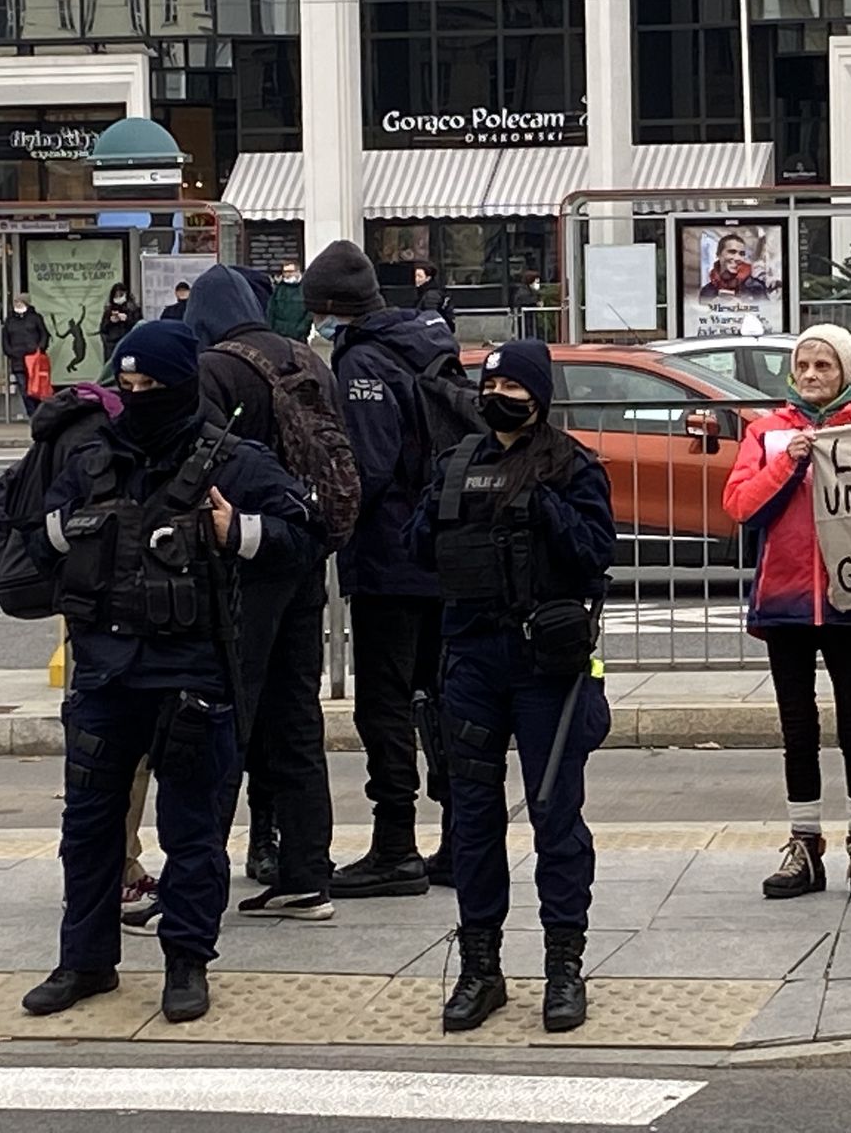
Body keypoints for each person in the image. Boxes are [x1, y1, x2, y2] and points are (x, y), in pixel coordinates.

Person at [20, 320, 318, 1024]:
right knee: (88, 828)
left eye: (151, 384)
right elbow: (38, 542)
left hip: (191, 673)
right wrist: (74, 530)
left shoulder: (233, 461)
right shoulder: (94, 458)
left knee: (192, 832)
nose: (137, 396)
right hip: (104, 673)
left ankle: (186, 961)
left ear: (182, 385)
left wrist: (238, 533)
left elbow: (305, 534)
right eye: (126, 384)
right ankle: (85, 960)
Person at [409, 339, 614, 1035]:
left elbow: (596, 554)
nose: (497, 395)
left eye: (511, 386)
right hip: (470, 660)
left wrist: (539, 506)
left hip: (544, 665)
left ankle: (564, 967)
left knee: (555, 818)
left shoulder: (571, 464)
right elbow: (416, 547)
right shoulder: (456, 463)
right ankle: (480, 968)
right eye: (489, 384)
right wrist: (452, 506)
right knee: (472, 821)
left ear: (539, 397)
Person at [304, 240, 478, 898]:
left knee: (386, 704)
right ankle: (461, 839)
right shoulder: (427, 342)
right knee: (442, 698)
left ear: (332, 308)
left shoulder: (363, 360)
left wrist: (326, 520)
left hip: (389, 558)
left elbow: (368, 467)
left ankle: (395, 844)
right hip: (442, 549)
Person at [183, 264, 340, 920]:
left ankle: (196, 880)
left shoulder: (214, 369)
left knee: (220, 719)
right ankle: (307, 873)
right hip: (303, 553)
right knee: (297, 718)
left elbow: (201, 462)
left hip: (240, 562)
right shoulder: (309, 361)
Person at [722, 325, 851, 901]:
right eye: (804, 365)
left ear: (847, 373)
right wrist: (787, 464)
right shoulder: (767, 432)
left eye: (825, 365)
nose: (813, 375)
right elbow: (740, 505)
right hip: (785, 601)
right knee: (797, 727)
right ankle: (804, 843)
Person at [3, 297, 51, 417]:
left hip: (34, 359)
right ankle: (32, 414)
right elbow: (5, 339)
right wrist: (10, 352)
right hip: (17, 359)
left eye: (20, 302)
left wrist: (40, 348)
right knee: (24, 388)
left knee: (36, 388)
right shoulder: (10, 320)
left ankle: (39, 413)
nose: (17, 304)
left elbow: (44, 334)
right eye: (15, 302)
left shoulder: (35, 318)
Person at [700, 234, 771, 300]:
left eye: (742, 254)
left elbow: (765, 309)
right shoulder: (706, 292)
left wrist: (745, 307)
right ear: (718, 254)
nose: (738, 258)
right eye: (732, 252)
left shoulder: (756, 287)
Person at [267, 261, 310, 341]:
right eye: (285, 272)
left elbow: (310, 312)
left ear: (297, 271)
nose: (287, 274)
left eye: (290, 271)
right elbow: (271, 310)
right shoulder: (278, 289)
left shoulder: (305, 288)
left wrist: (302, 329)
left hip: (299, 336)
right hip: (279, 334)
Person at [99, 284, 139, 360]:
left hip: (128, 344)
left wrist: (127, 319)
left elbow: (138, 326)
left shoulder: (133, 309)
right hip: (112, 346)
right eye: (116, 296)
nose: (118, 298)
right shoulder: (108, 311)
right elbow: (103, 329)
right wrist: (110, 321)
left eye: (121, 295)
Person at [413, 263, 457, 333]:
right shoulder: (430, 292)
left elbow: (430, 316)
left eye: (420, 276)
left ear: (428, 278)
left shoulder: (431, 294)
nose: (416, 279)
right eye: (415, 276)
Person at [510, 269, 542, 339]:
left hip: (528, 320)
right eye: (536, 282)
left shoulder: (529, 291)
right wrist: (536, 302)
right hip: (525, 321)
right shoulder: (523, 292)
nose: (538, 285)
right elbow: (525, 301)